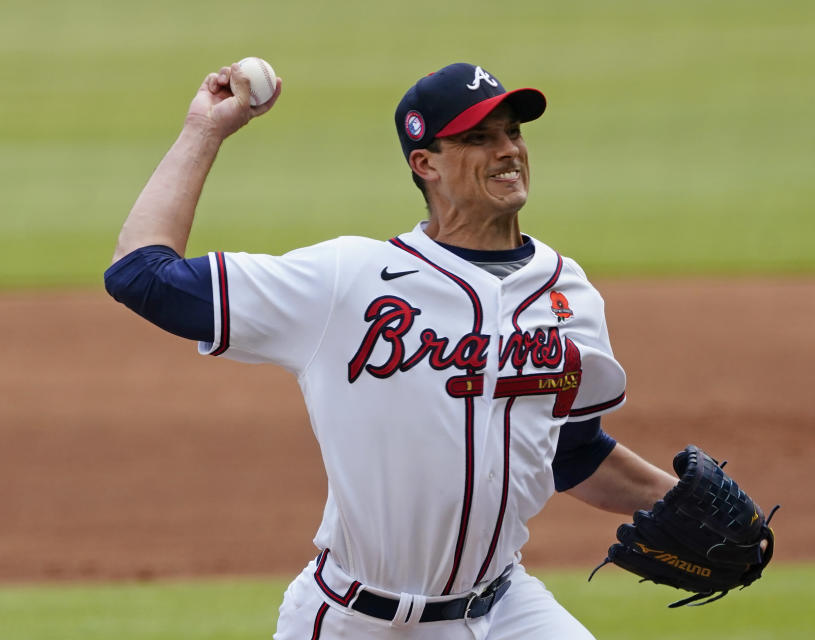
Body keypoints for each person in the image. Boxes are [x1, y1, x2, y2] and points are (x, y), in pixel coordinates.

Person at [105, 61, 677, 639]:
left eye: (513, 132)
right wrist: (205, 130)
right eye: (479, 138)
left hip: (506, 611)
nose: (508, 151)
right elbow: (142, 276)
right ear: (424, 163)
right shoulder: (346, 282)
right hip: (355, 620)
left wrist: (675, 499)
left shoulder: (567, 291)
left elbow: (570, 454)